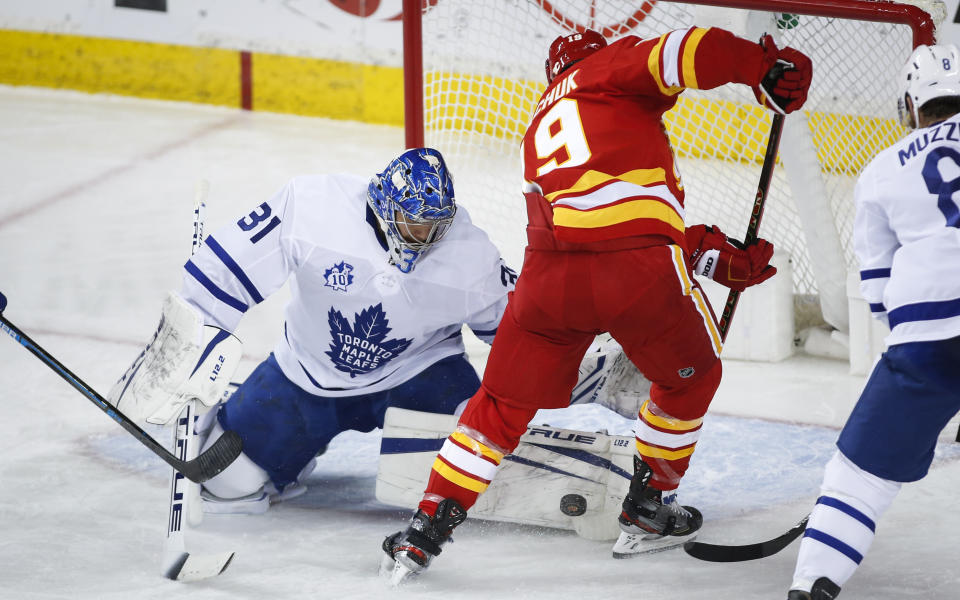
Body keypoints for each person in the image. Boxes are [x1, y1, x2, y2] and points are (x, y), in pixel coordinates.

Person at [382, 26, 812, 578]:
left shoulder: (540, 122)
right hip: (634, 272)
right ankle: (649, 506)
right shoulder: (607, 69)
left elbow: (599, 219)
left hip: (549, 282)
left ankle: (426, 527)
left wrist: (709, 255)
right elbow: (687, 48)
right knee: (692, 376)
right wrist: (761, 65)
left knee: (498, 405)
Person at [108, 147, 520, 512]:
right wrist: (192, 350)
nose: (424, 238)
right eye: (413, 223)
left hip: (420, 373)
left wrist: (565, 363)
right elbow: (222, 276)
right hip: (306, 371)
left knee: (470, 484)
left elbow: (516, 333)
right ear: (383, 204)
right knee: (226, 481)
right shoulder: (314, 207)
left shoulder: (469, 254)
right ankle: (280, 439)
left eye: (433, 226)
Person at [786, 43, 960, 600]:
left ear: (911, 105)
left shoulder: (883, 168)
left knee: (859, 477)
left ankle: (813, 584)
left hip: (927, 334)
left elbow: (878, 288)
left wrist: (910, 362)